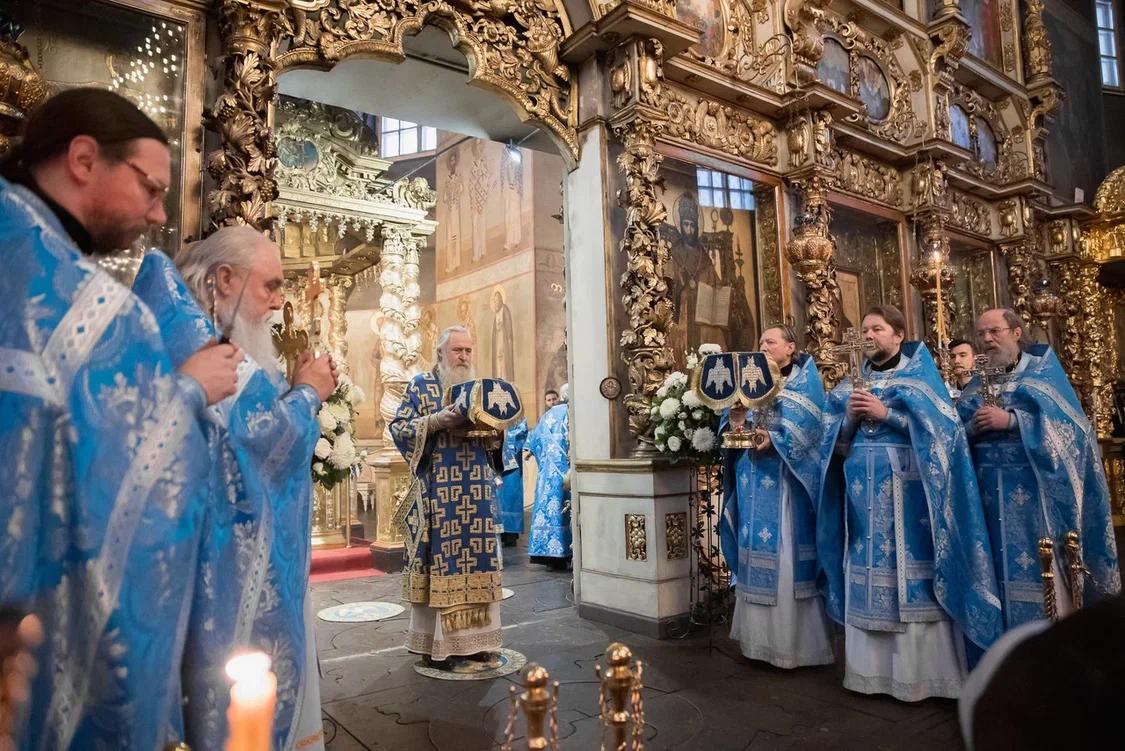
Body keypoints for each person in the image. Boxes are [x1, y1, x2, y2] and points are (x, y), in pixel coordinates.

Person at [0, 88, 240, 749]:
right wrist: (189, 391)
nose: (159, 214)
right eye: (150, 188)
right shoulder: (80, 298)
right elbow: (125, 462)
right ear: (83, 159)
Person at [131, 225, 338, 750]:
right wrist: (310, 392)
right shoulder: (209, 347)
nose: (277, 301)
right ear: (224, 279)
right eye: (269, 286)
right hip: (220, 571)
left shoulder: (190, 333)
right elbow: (268, 436)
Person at [816, 304, 1002, 701]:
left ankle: (921, 677)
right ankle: (869, 673)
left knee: (912, 576)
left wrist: (889, 415)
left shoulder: (921, 378)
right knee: (866, 573)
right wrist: (847, 420)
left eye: (877, 329)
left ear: (898, 334)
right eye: (864, 329)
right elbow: (834, 443)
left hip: (911, 497)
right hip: (862, 496)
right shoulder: (853, 381)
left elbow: (944, 434)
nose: (868, 336)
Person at [957, 309, 1120, 629]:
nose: (986, 340)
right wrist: (972, 429)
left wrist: (1014, 420)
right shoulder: (976, 384)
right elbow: (955, 435)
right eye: (981, 334)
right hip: (987, 499)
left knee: (1040, 574)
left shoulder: (1043, 376)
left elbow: (1072, 431)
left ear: (1017, 332)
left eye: (994, 331)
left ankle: (1047, 653)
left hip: (1036, 499)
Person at [718, 326, 834, 669]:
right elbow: (732, 431)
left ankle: (793, 648)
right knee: (755, 557)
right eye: (761, 341)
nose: (763, 346)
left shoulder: (804, 383)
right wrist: (736, 420)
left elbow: (813, 427)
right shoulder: (750, 382)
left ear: (790, 346)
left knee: (785, 559)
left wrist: (776, 438)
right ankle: (759, 645)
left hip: (787, 484)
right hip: (753, 480)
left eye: (771, 341)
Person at [390, 325, 504, 669]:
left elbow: (498, 447)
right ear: (441, 352)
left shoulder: (483, 390)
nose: (464, 357)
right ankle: (443, 648)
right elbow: (399, 428)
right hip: (440, 496)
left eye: (469, 350)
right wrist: (436, 420)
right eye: (458, 351)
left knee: (481, 564)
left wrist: (499, 431)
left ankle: (479, 642)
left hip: (478, 497)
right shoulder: (420, 386)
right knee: (444, 565)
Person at [526, 383, 572, 570]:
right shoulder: (573, 412)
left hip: (549, 475)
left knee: (551, 511)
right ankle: (570, 551)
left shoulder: (548, 415)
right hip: (569, 471)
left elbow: (535, 441)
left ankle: (551, 556)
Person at [497, 418, 528, 547]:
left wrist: (504, 438)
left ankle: (511, 534)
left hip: (510, 461)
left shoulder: (516, 414)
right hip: (493, 456)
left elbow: (522, 430)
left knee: (510, 495)